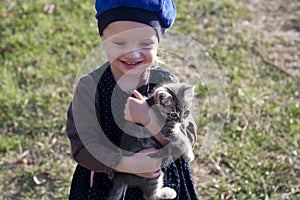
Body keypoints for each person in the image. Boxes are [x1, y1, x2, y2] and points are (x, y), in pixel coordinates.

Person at [66, 0, 198, 199]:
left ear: (158, 43)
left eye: (145, 44)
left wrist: (151, 120)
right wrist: (127, 164)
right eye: (120, 43)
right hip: (106, 185)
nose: (133, 53)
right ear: (103, 38)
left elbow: (187, 142)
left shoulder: (167, 84)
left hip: (161, 183)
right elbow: (82, 147)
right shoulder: (91, 87)